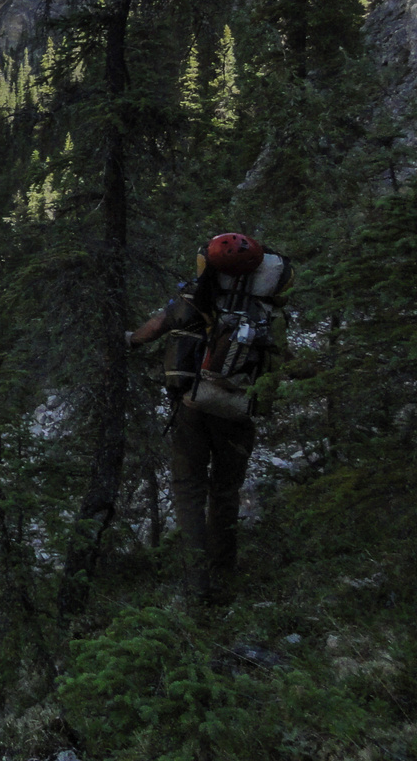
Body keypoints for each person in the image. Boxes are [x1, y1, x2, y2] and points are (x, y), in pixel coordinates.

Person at [127, 233, 294, 602]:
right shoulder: (267, 309)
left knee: (189, 491)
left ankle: (196, 583)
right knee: (225, 491)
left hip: (192, 405)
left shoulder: (197, 295)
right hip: (237, 411)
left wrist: (128, 341)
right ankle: (223, 573)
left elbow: (157, 326)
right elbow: (285, 360)